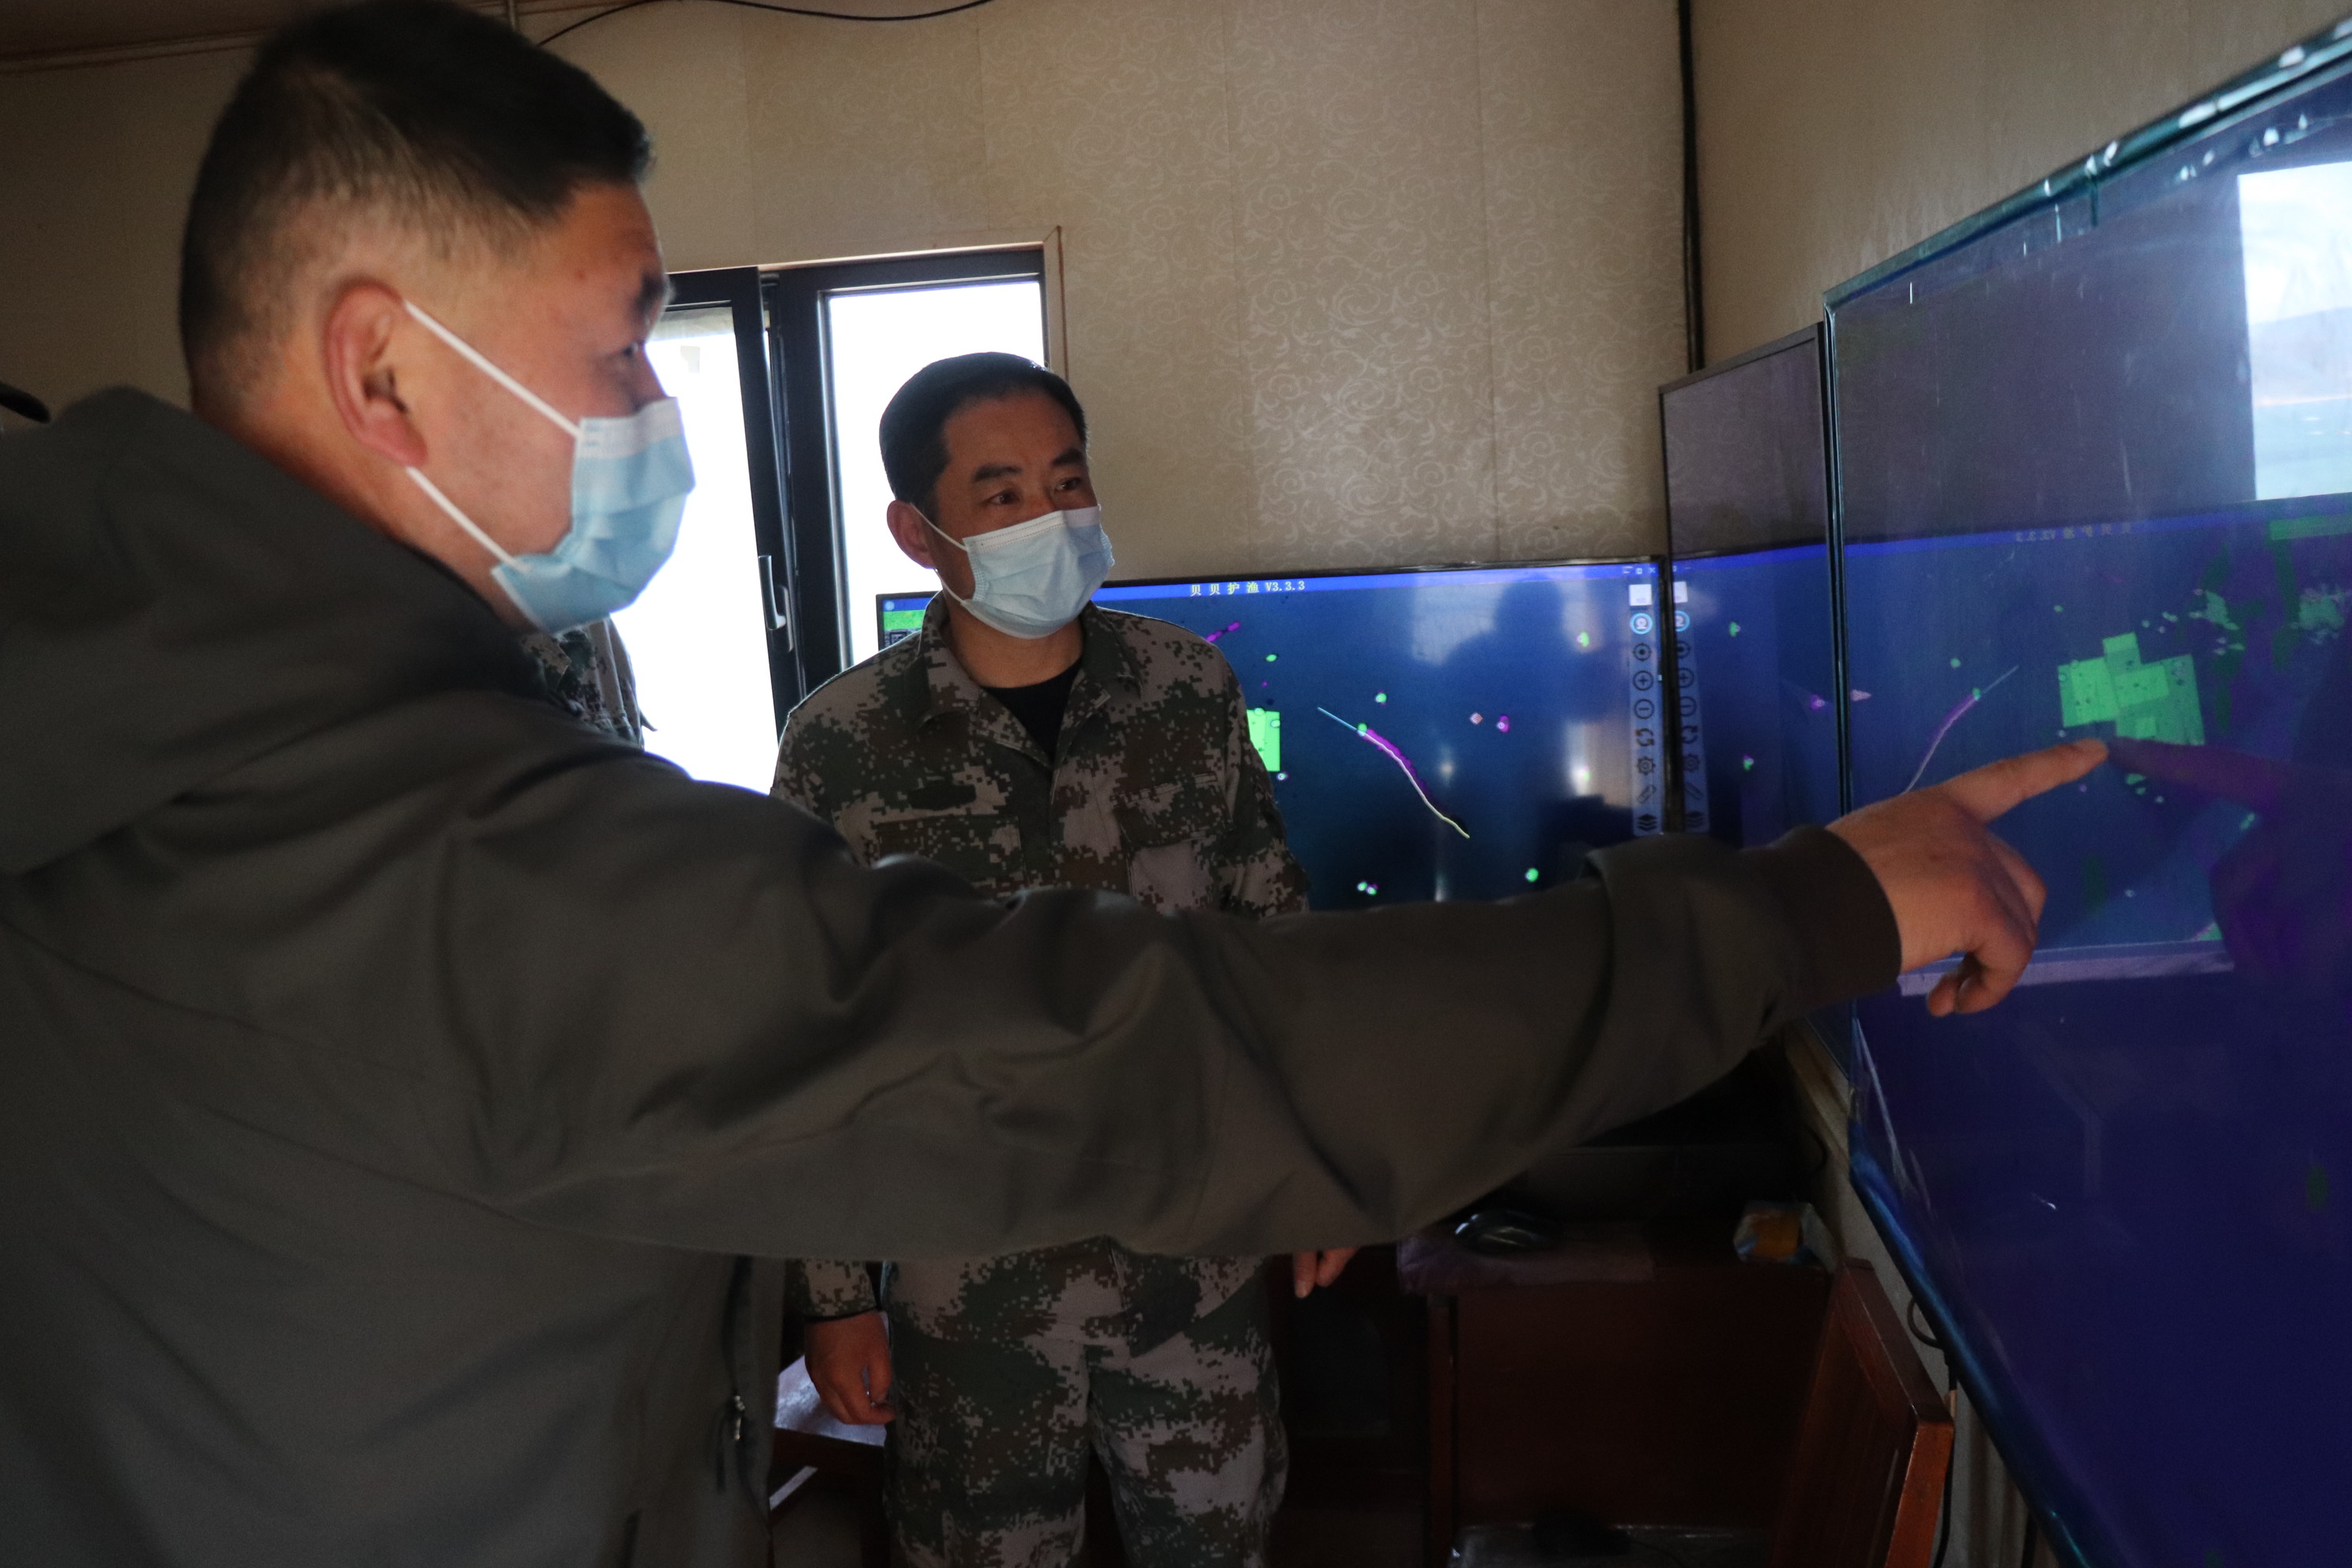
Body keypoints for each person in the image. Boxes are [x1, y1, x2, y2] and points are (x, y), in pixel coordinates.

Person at [0, 2, 2099, 1563]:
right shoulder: (448, 844)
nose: (652, 411)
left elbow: (1237, 943)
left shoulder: (136, 736)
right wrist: (1806, 906)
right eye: (624, 344)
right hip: (982, 1288)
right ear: (382, 364)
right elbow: (1111, 1049)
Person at [775, 353, 1351, 1566]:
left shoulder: (1187, 689)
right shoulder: (843, 743)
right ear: (918, 532)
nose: (1051, 516)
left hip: (1190, 1258)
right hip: (967, 1283)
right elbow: (807, 1026)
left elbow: (1275, 940)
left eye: (1067, 482)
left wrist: (1323, 1167)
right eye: (1003, 494)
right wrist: (833, 1299)